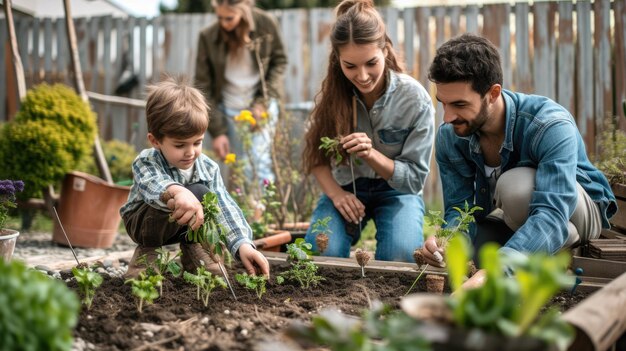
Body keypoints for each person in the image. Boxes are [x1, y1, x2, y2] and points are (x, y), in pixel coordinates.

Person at [425, 33, 617, 287]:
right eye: (443, 103)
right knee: (472, 255)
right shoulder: (451, 137)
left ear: (493, 93)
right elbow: (459, 212)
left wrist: (494, 274)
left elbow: (551, 212)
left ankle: (561, 238)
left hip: (575, 211)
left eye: (459, 104)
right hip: (512, 218)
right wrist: (445, 241)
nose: (447, 117)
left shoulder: (548, 125)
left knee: (514, 187)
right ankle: (538, 248)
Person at [302, 0, 435, 262]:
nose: (362, 76)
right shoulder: (333, 95)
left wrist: (371, 154)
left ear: (385, 50)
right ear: (337, 60)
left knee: (400, 256)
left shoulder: (414, 99)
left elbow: (414, 180)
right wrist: (337, 195)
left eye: (370, 63)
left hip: (396, 192)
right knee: (321, 251)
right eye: (350, 66)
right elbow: (315, 158)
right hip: (347, 186)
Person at [120, 76, 270, 279]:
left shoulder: (208, 167)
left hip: (185, 226)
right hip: (145, 224)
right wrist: (177, 191)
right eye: (180, 145)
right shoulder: (146, 161)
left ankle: (195, 249)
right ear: (155, 141)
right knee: (186, 196)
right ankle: (146, 257)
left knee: (205, 196)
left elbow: (224, 208)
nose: (190, 152)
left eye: (197, 142)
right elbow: (152, 185)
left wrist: (243, 244)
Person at [194, 0, 287, 183]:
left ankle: (259, 211)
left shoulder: (266, 24)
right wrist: (218, 131)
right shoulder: (207, 36)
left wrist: (262, 103)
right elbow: (203, 86)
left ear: (244, 9)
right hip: (228, 110)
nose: (223, 23)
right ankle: (244, 211)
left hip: (261, 106)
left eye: (229, 18)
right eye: (219, 17)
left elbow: (279, 62)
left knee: (260, 165)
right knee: (238, 171)